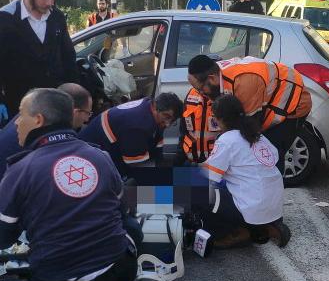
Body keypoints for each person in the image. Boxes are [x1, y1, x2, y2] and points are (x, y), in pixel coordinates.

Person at [0, 88, 137, 281]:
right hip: (118, 271)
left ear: (38, 120)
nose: (16, 122)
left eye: (21, 114)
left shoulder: (19, 171)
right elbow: (122, 210)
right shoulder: (100, 156)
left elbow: (3, 237)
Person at [182, 55, 312, 175]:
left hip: (293, 103)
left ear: (212, 78)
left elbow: (248, 129)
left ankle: (271, 193)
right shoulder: (218, 78)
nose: (200, 94)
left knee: (270, 153)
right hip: (265, 102)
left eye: (200, 89)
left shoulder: (244, 82)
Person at [200, 94, 290, 248]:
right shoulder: (258, 135)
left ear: (221, 118)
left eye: (214, 118)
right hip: (274, 206)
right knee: (227, 184)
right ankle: (266, 227)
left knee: (198, 192)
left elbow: (207, 176)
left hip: (250, 206)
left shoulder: (227, 140)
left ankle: (235, 231)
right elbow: (273, 157)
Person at [0, 0, 80, 117]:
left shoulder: (57, 17)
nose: (50, 3)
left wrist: (74, 93)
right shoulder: (6, 19)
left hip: (54, 104)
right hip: (18, 106)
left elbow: (68, 56)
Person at [0, 83, 92, 181]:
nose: (87, 119)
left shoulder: (34, 115)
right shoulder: (39, 135)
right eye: (87, 113)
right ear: (74, 112)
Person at [78, 93, 183, 177]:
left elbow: (157, 153)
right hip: (89, 159)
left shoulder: (150, 106)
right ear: (155, 108)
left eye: (172, 120)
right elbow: (137, 167)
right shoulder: (138, 125)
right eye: (166, 116)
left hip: (106, 146)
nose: (168, 124)